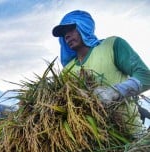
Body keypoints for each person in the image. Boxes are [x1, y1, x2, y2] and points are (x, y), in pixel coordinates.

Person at [52, 10, 150, 138]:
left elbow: (146, 76)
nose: (67, 36)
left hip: (130, 137)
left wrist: (115, 92)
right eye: (64, 33)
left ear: (84, 26)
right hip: (94, 145)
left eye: (71, 29)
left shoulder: (111, 46)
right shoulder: (67, 71)